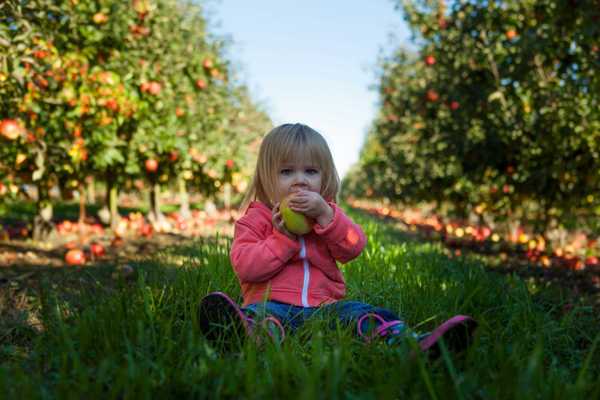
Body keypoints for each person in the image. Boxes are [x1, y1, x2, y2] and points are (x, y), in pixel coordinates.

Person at [198, 123, 477, 357]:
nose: (300, 181)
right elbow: (247, 268)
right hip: (271, 303)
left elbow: (353, 247)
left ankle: (412, 344)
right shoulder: (255, 220)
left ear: (324, 176)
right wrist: (282, 240)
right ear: (265, 177)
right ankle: (243, 335)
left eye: (310, 171)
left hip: (325, 308)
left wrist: (326, 217)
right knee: (261, 317)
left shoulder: (327, 215)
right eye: (286, 172)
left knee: (362, 314)